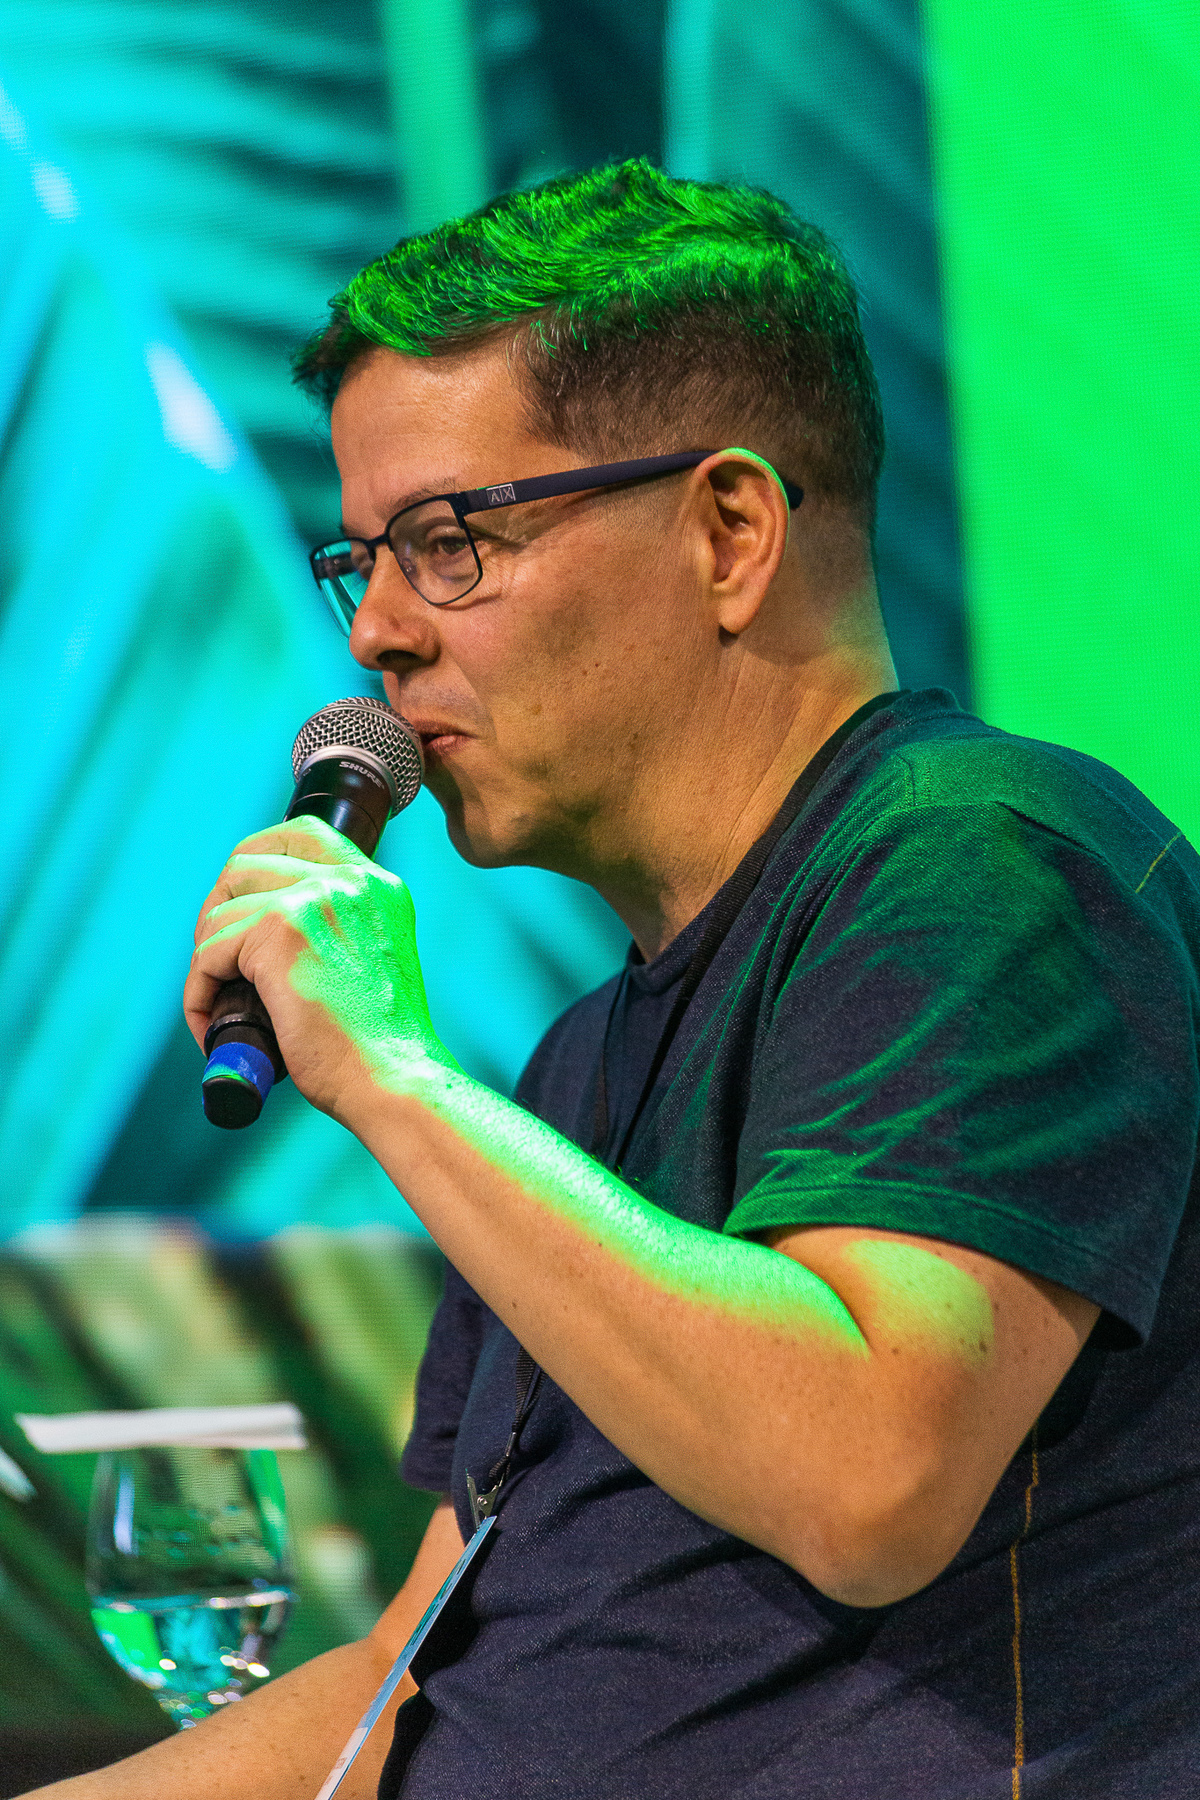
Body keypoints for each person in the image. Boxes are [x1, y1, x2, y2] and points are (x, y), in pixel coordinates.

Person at [30, 160, 1200, 1800]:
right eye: (362, 558)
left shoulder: (984, 862)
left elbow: (872, 1478)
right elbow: (406, 1684)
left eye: (447, 541)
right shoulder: (580, 1070)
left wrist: (395, 1077)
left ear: (730, 533)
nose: (376, 633)